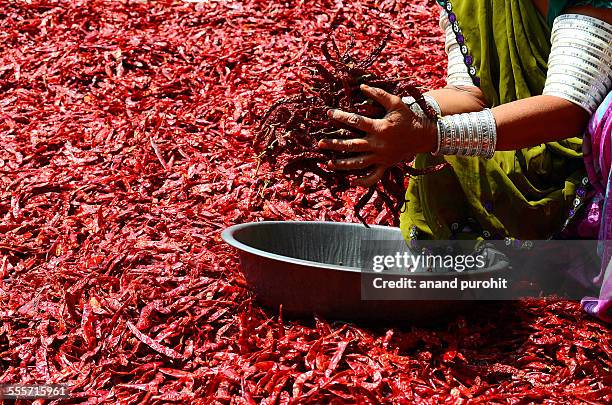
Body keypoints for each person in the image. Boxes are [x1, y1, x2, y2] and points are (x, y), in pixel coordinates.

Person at [318, 0, 612, 321]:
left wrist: (431, 135)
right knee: (443, 154)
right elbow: (469, 93)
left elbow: (568, 107)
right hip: (520, 138)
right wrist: (395, 113)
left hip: (587, 158)